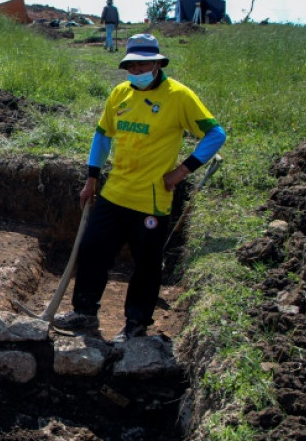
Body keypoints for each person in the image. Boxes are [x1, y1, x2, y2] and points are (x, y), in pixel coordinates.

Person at [53, 34, 226, 342]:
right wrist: (91, 178)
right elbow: (102, 136)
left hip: (152, 201)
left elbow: (215, 134)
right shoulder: (120, 93)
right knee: (93, 250)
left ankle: (135, 325)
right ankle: (85, 314)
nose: (136, 70)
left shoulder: (179, 96)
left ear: (158, 63)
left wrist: (182, 171)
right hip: (115, 192)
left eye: (143, 63)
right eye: (131, 65)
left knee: (146, 264)